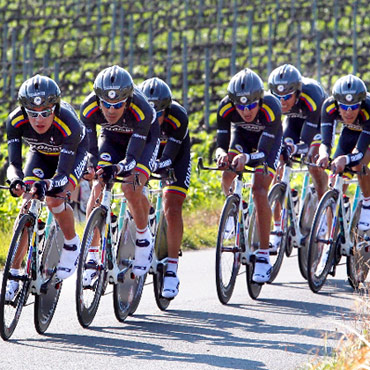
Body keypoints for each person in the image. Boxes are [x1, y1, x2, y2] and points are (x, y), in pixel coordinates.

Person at [5, 74, 88, 300]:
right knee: (27, 203)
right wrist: (16, 181)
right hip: (40, 155)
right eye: (32, 113)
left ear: (56, 108)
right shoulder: (14, 121)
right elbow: (13, 165)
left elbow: (62, 175)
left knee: (54, 199)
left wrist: (47, 184)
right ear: (24, 111)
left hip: (72, 154)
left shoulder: (68, 124)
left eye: (45, 113)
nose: (38, 119)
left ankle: (71, 242)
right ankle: (12, 275)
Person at [80, 65, 159, 283]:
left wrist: (118, 168)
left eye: (117, 105)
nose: (111, 110)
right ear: (98, 100)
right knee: (98, 184)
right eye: (105, 104)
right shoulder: (88, 108)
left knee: (130, 185)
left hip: (143, 142)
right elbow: (90, 149)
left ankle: (144, 238)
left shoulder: (143, 110)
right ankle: (93, 255)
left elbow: (132, 158)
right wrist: (93, 168)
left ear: (128, 100)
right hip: (112, 138)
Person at [215, 68, 283, 283]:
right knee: (228, 170)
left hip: (267, 143)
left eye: (252, 105)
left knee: (259, 190)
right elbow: (220, 145)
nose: (246, 111)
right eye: (241, 106)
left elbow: (262, 152)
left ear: (260, 100)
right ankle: (235, 211)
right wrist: (222, 155)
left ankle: (263, 256)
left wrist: (246, 158)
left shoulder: (272, 107)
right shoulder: (225, 107)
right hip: (242, 136)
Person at [139, 77, 191, 299]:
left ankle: (171, 267)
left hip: (175, 155)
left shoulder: (178, 117)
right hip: (148, 149)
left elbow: (169, 156)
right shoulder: (136, 115)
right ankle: (146, 216)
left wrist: (158, 166)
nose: (155, 119)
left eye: (159, 114)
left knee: (171, 205)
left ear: (166, 110)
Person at [267, 64, 328, 250]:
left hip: (316, 122)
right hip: (292, 122)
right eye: (278, 96)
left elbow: (306, 140)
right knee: (279, 164)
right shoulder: (275, 103)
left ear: (297, 92)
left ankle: (323, 205)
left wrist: (297, 147)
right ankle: (277, 229)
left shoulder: (312, 96)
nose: (282, 101)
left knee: (313, 161)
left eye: (286, 97)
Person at [317, 74, 370, 231]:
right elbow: (325, 143)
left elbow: (359, 153)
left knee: (357, 165)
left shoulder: (368, 109)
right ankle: (329, 238)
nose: (348, 112)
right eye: (344, 107)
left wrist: (345, 160)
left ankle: (367, 202)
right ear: (336, 104)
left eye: (353, 107)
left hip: (367, 135)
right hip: (350, 132)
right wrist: (324, 155)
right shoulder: (328, 107)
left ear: (360, 104)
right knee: (334, 181)